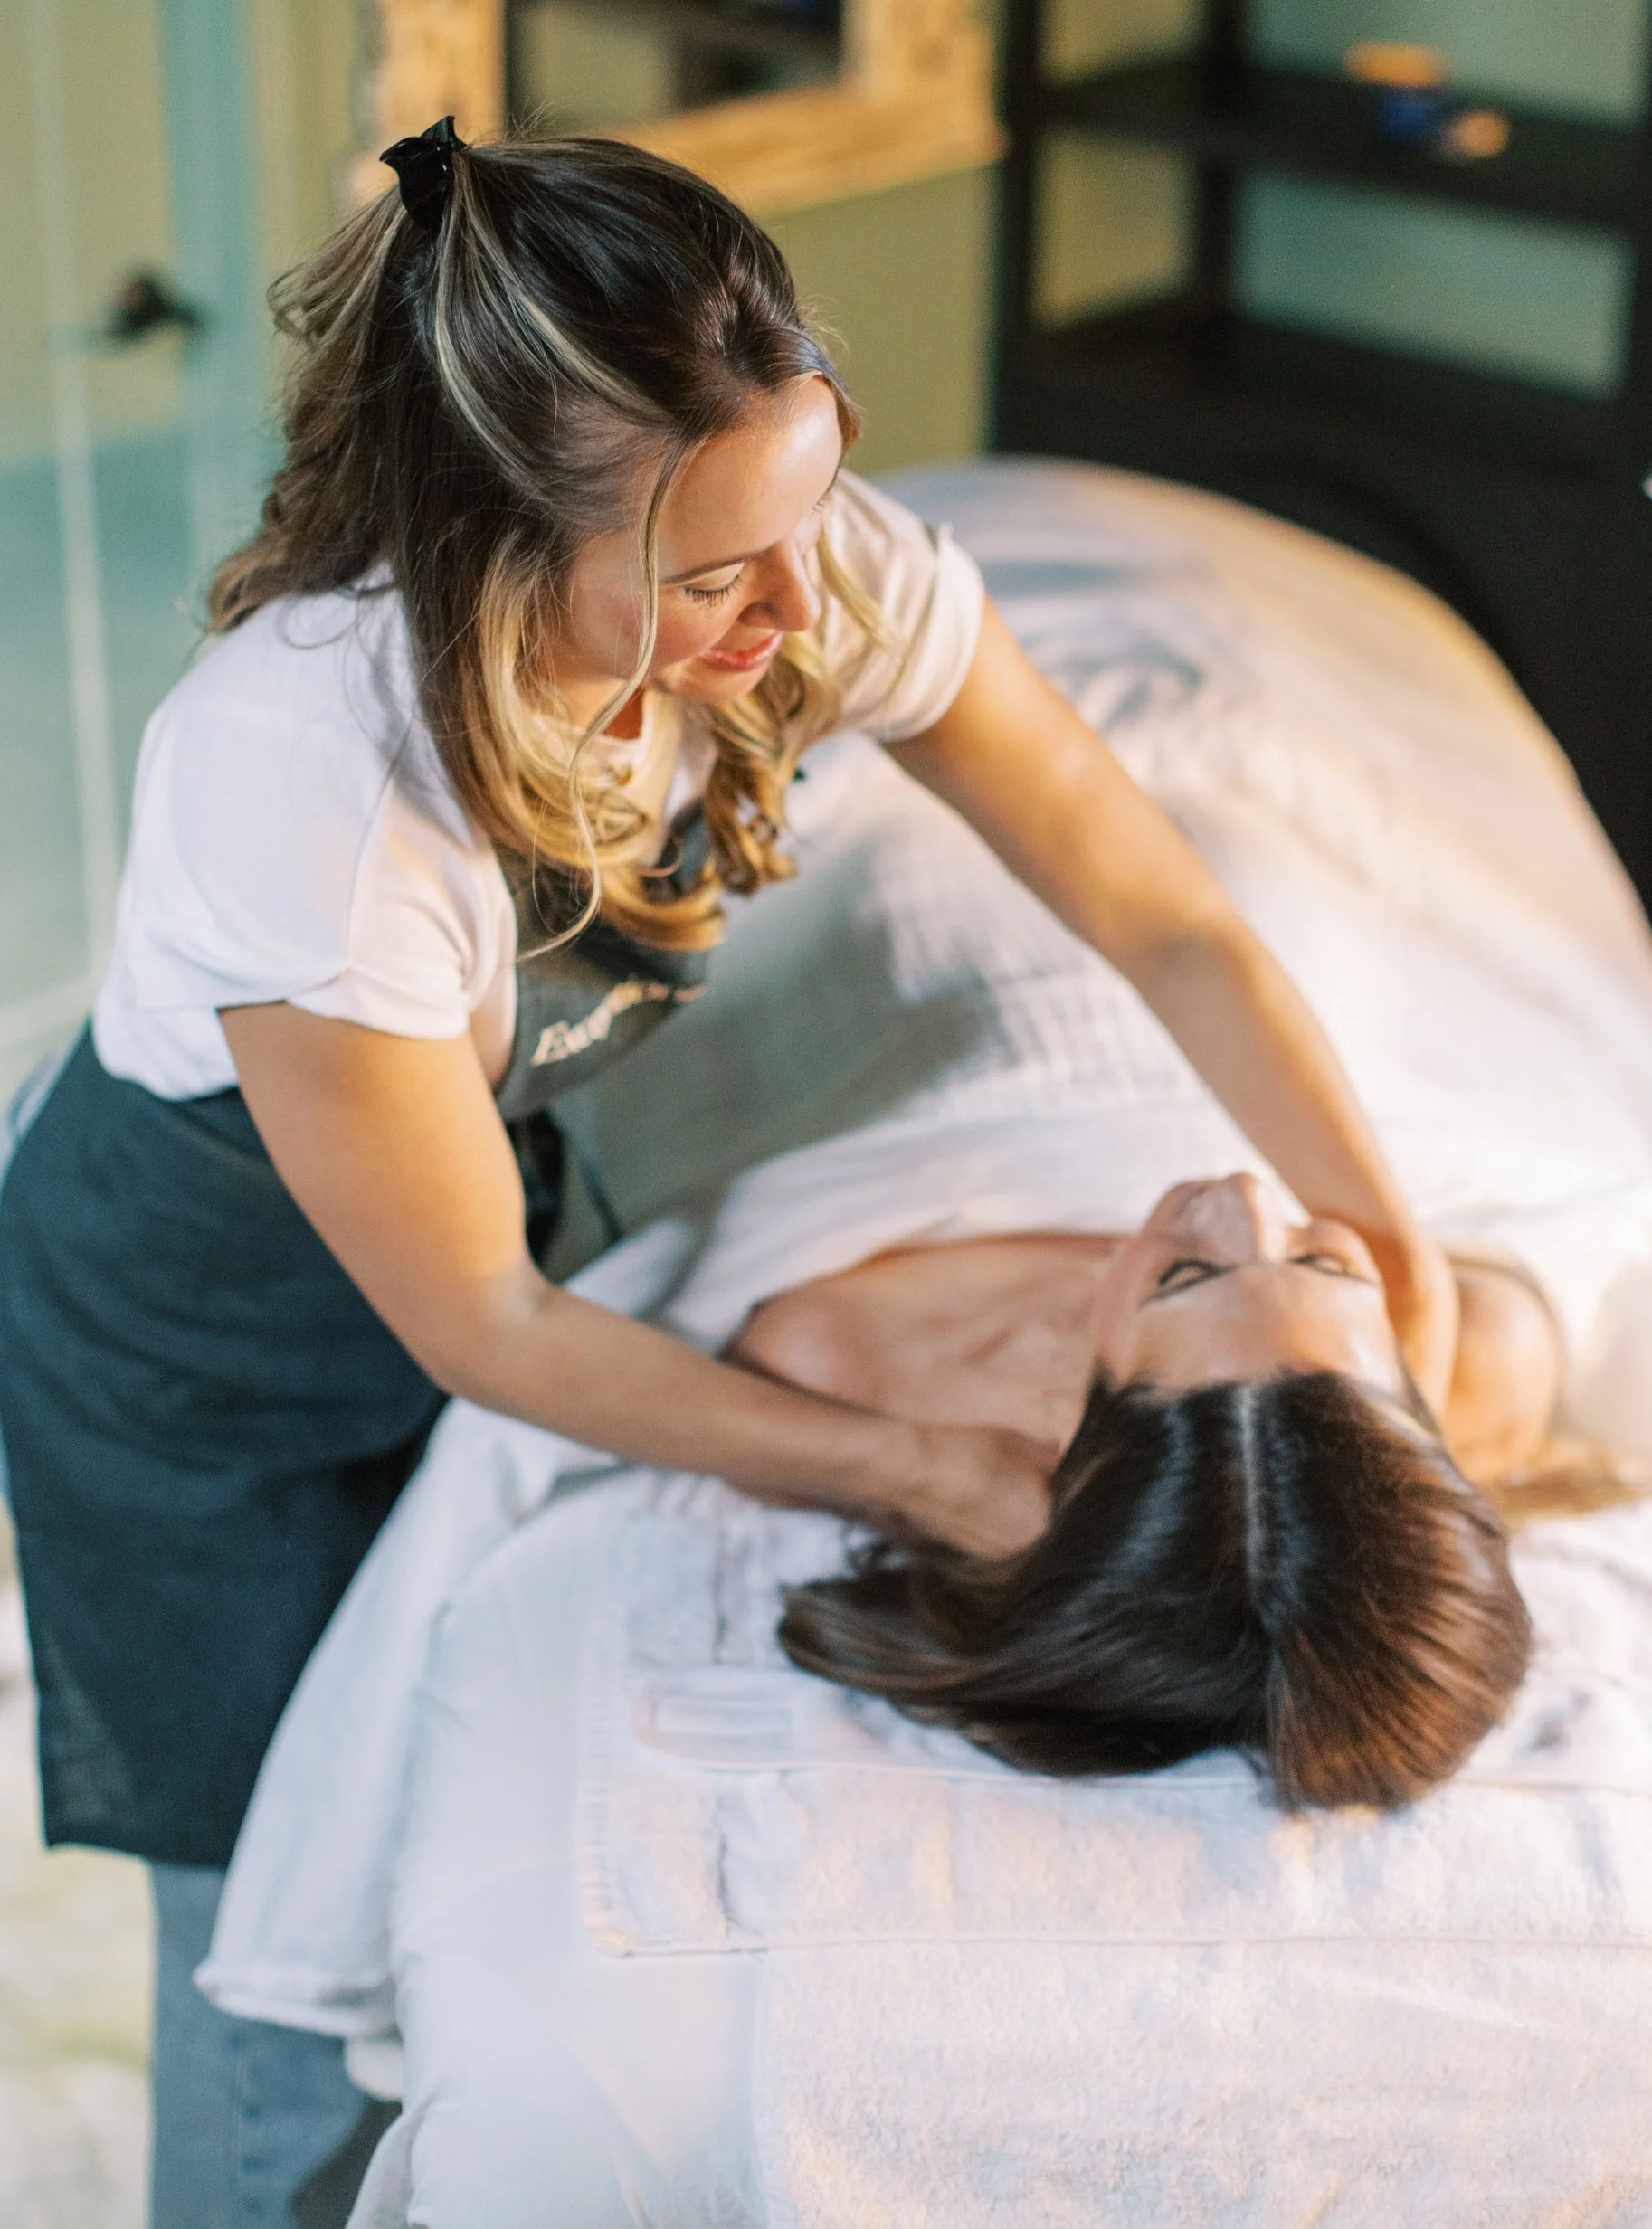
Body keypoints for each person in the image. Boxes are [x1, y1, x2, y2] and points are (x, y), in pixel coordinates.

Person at [0, 125, 1455, 2224]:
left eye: (806, 516)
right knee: (264, 1924)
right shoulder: (303, 787)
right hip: (188, 1362)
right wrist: (917, 1468)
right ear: (494, 541)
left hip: (458, 1240)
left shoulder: (792, 567)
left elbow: (1163, 921)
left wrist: (1375, 1236)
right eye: (714, 578)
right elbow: (487, 1324)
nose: (798, 607)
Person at [737, 1171, 1541, 1807]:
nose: (1250, 1194)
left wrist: (919, 1468)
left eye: (1180, 1277)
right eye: (1324, 1266)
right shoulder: (1483, 1354)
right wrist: (1408, 1281)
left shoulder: (844, 1359)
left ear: (1090, 1418)